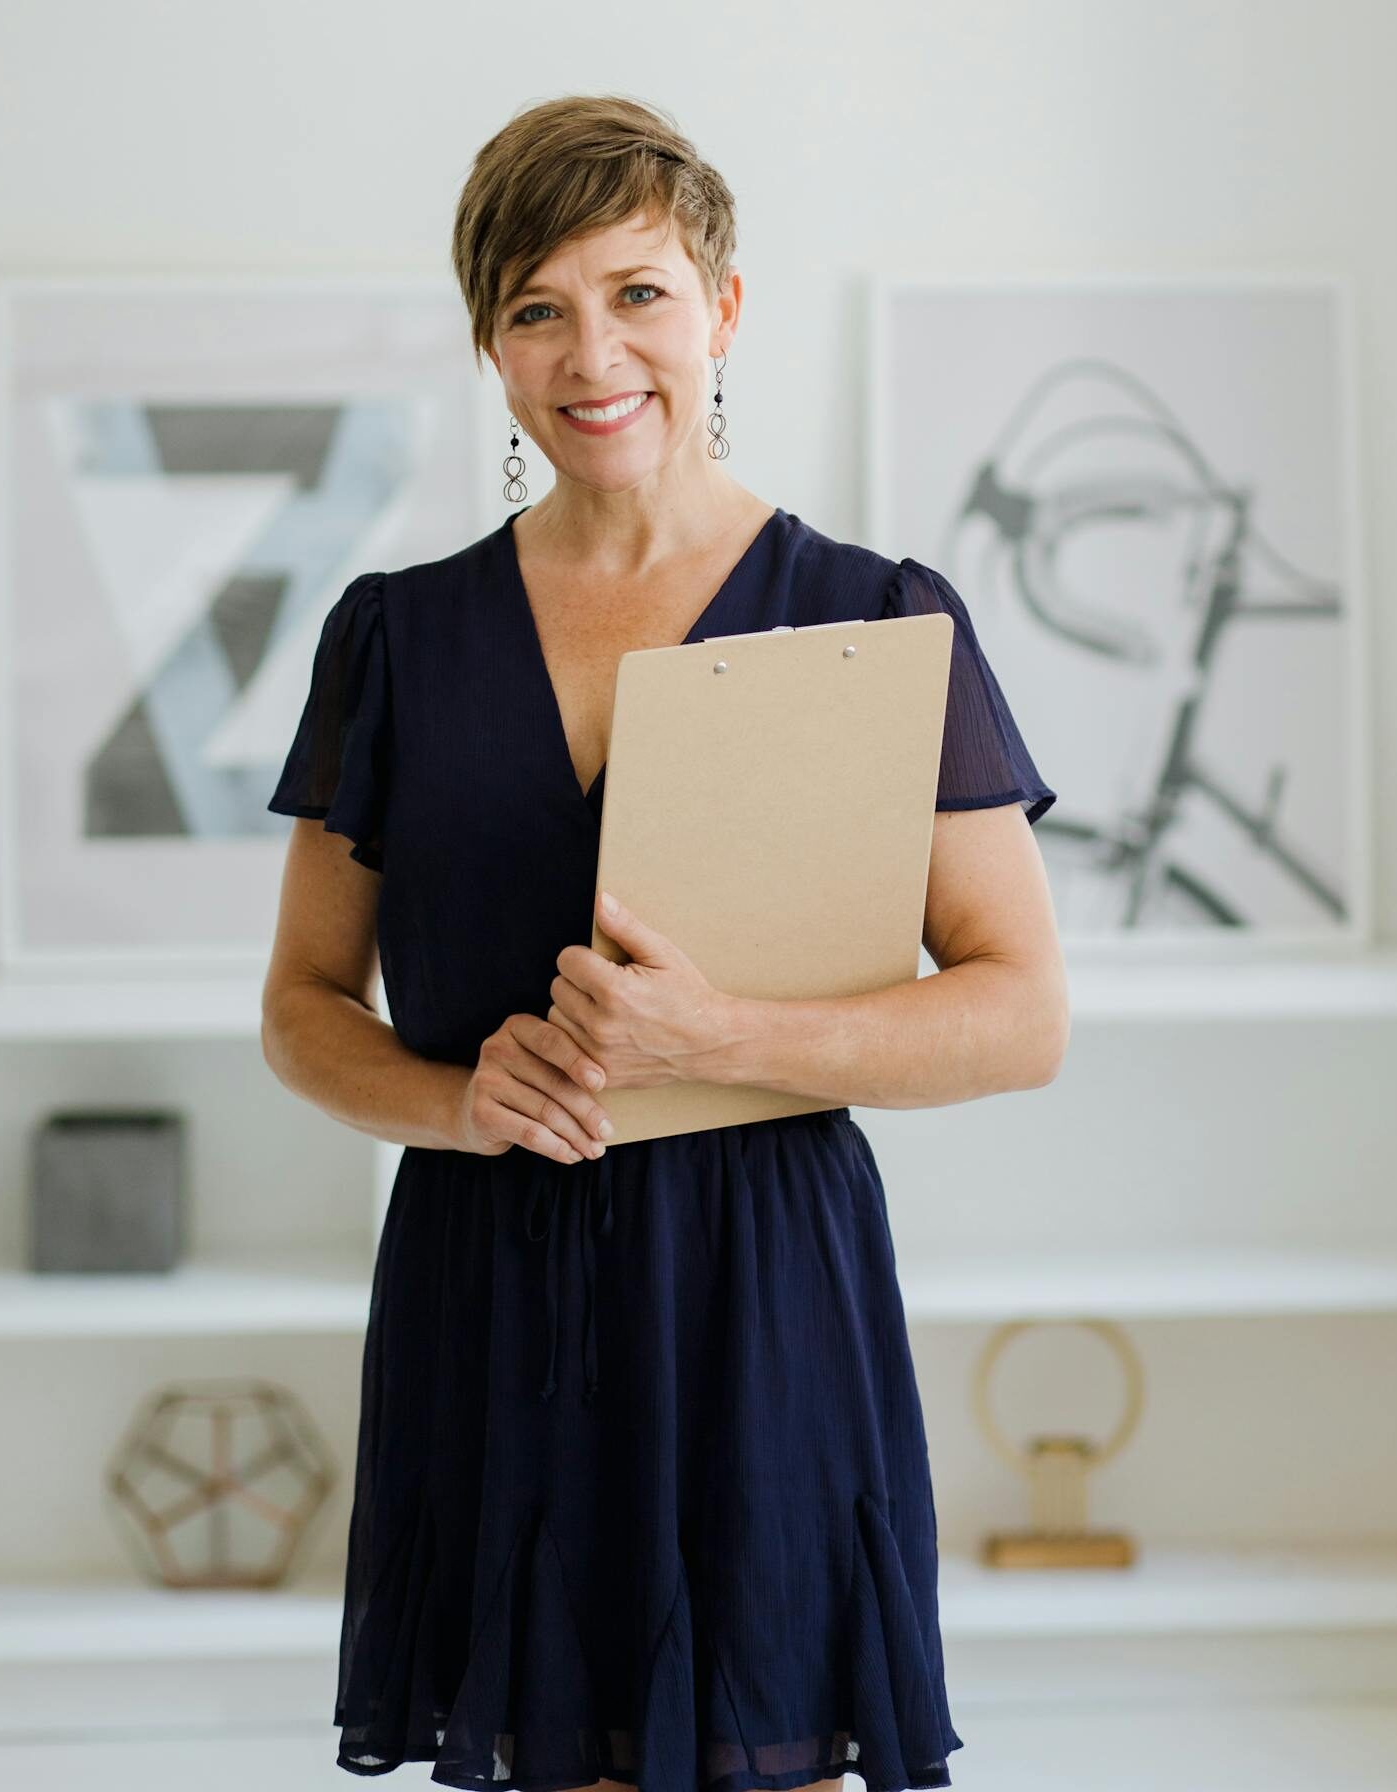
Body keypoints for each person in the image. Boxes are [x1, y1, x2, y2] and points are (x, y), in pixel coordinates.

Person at [262, 93, 1067, 1792]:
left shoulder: (871, 616)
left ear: (721, 309)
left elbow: (1015, 1016)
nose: (591, 351)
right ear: (489, 343)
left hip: (761, 1292)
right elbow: (304, 1009)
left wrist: (724, 1042)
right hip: (489, 1283)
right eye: (536, 308)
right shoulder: (394, 636)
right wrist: (459, 1100)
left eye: (635, 292)